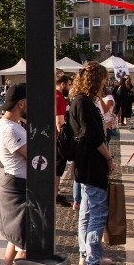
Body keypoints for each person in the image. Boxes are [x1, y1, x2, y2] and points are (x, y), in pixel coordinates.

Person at [70, 62, 121, 265]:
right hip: (91, 163)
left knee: (89, 211)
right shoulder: (83, 102)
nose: (105, 83)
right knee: (97, 212)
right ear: (96, 79)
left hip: (87, 163)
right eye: (103, 79)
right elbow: (94, 136)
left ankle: (89, 255)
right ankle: (92, 262)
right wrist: (108, 157)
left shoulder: (83, 100)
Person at [0, 84, 29, 265]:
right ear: (20, 104)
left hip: (16, 184)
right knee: (23, 245)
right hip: (17, 187)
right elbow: (33, 154)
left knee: (13, 240)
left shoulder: (12, 125)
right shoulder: (12, 129)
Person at [53, 73, 72, 206]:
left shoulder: (52, 95)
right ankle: (55, 194)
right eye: (69, 85)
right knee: (58, 168)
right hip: (57, 138)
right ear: (63, 84)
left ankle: (55, 192)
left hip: (51, 137)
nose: (70, 88)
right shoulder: (60, 98)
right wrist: (65, 140)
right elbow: (59, 122)